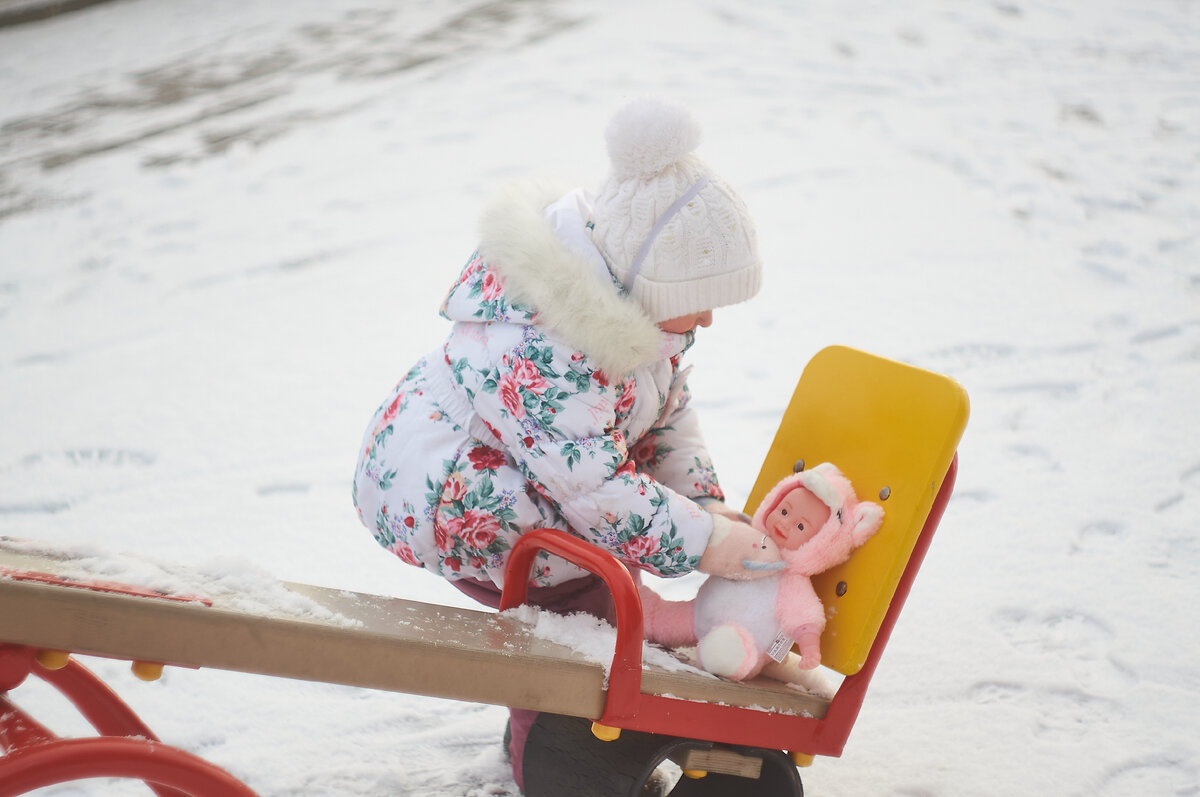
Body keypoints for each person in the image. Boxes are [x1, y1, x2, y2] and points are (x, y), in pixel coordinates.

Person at [351, 97, 780, 791]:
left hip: (512, 473)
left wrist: (703, 504)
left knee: (605, 582)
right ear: (650, 276)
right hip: (448, 492)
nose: (707, 319)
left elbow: (666, 416)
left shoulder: (634, 310)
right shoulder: (549, 344)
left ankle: (576, 710)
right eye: (700, 298)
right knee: (580, 606)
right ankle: (552, 761)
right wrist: (701, 540)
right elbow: (597, 487)